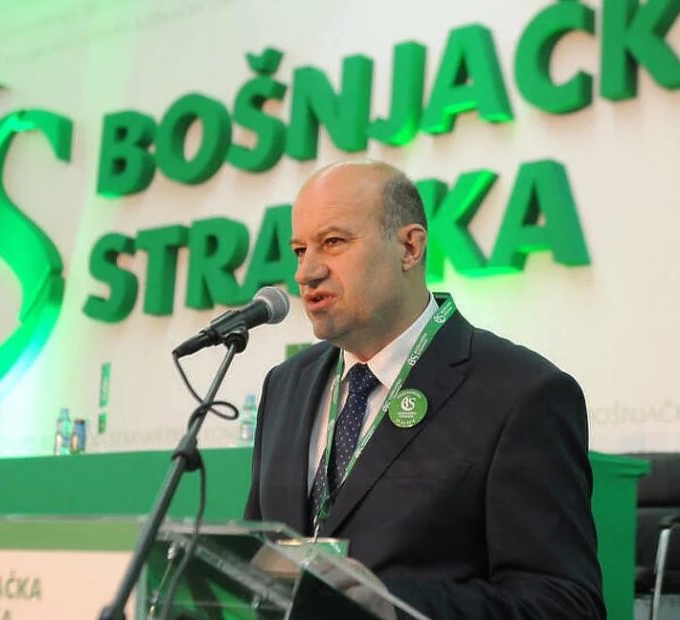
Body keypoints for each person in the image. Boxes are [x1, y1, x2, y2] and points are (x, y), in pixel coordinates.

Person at [245, 160, 604, 619]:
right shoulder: (285, 385)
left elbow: (565, 604)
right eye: (299, 250)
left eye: (333, 242)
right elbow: (256, 561)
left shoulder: (522, 393)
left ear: (409, 248)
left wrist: (395, 607)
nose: (306, 273)